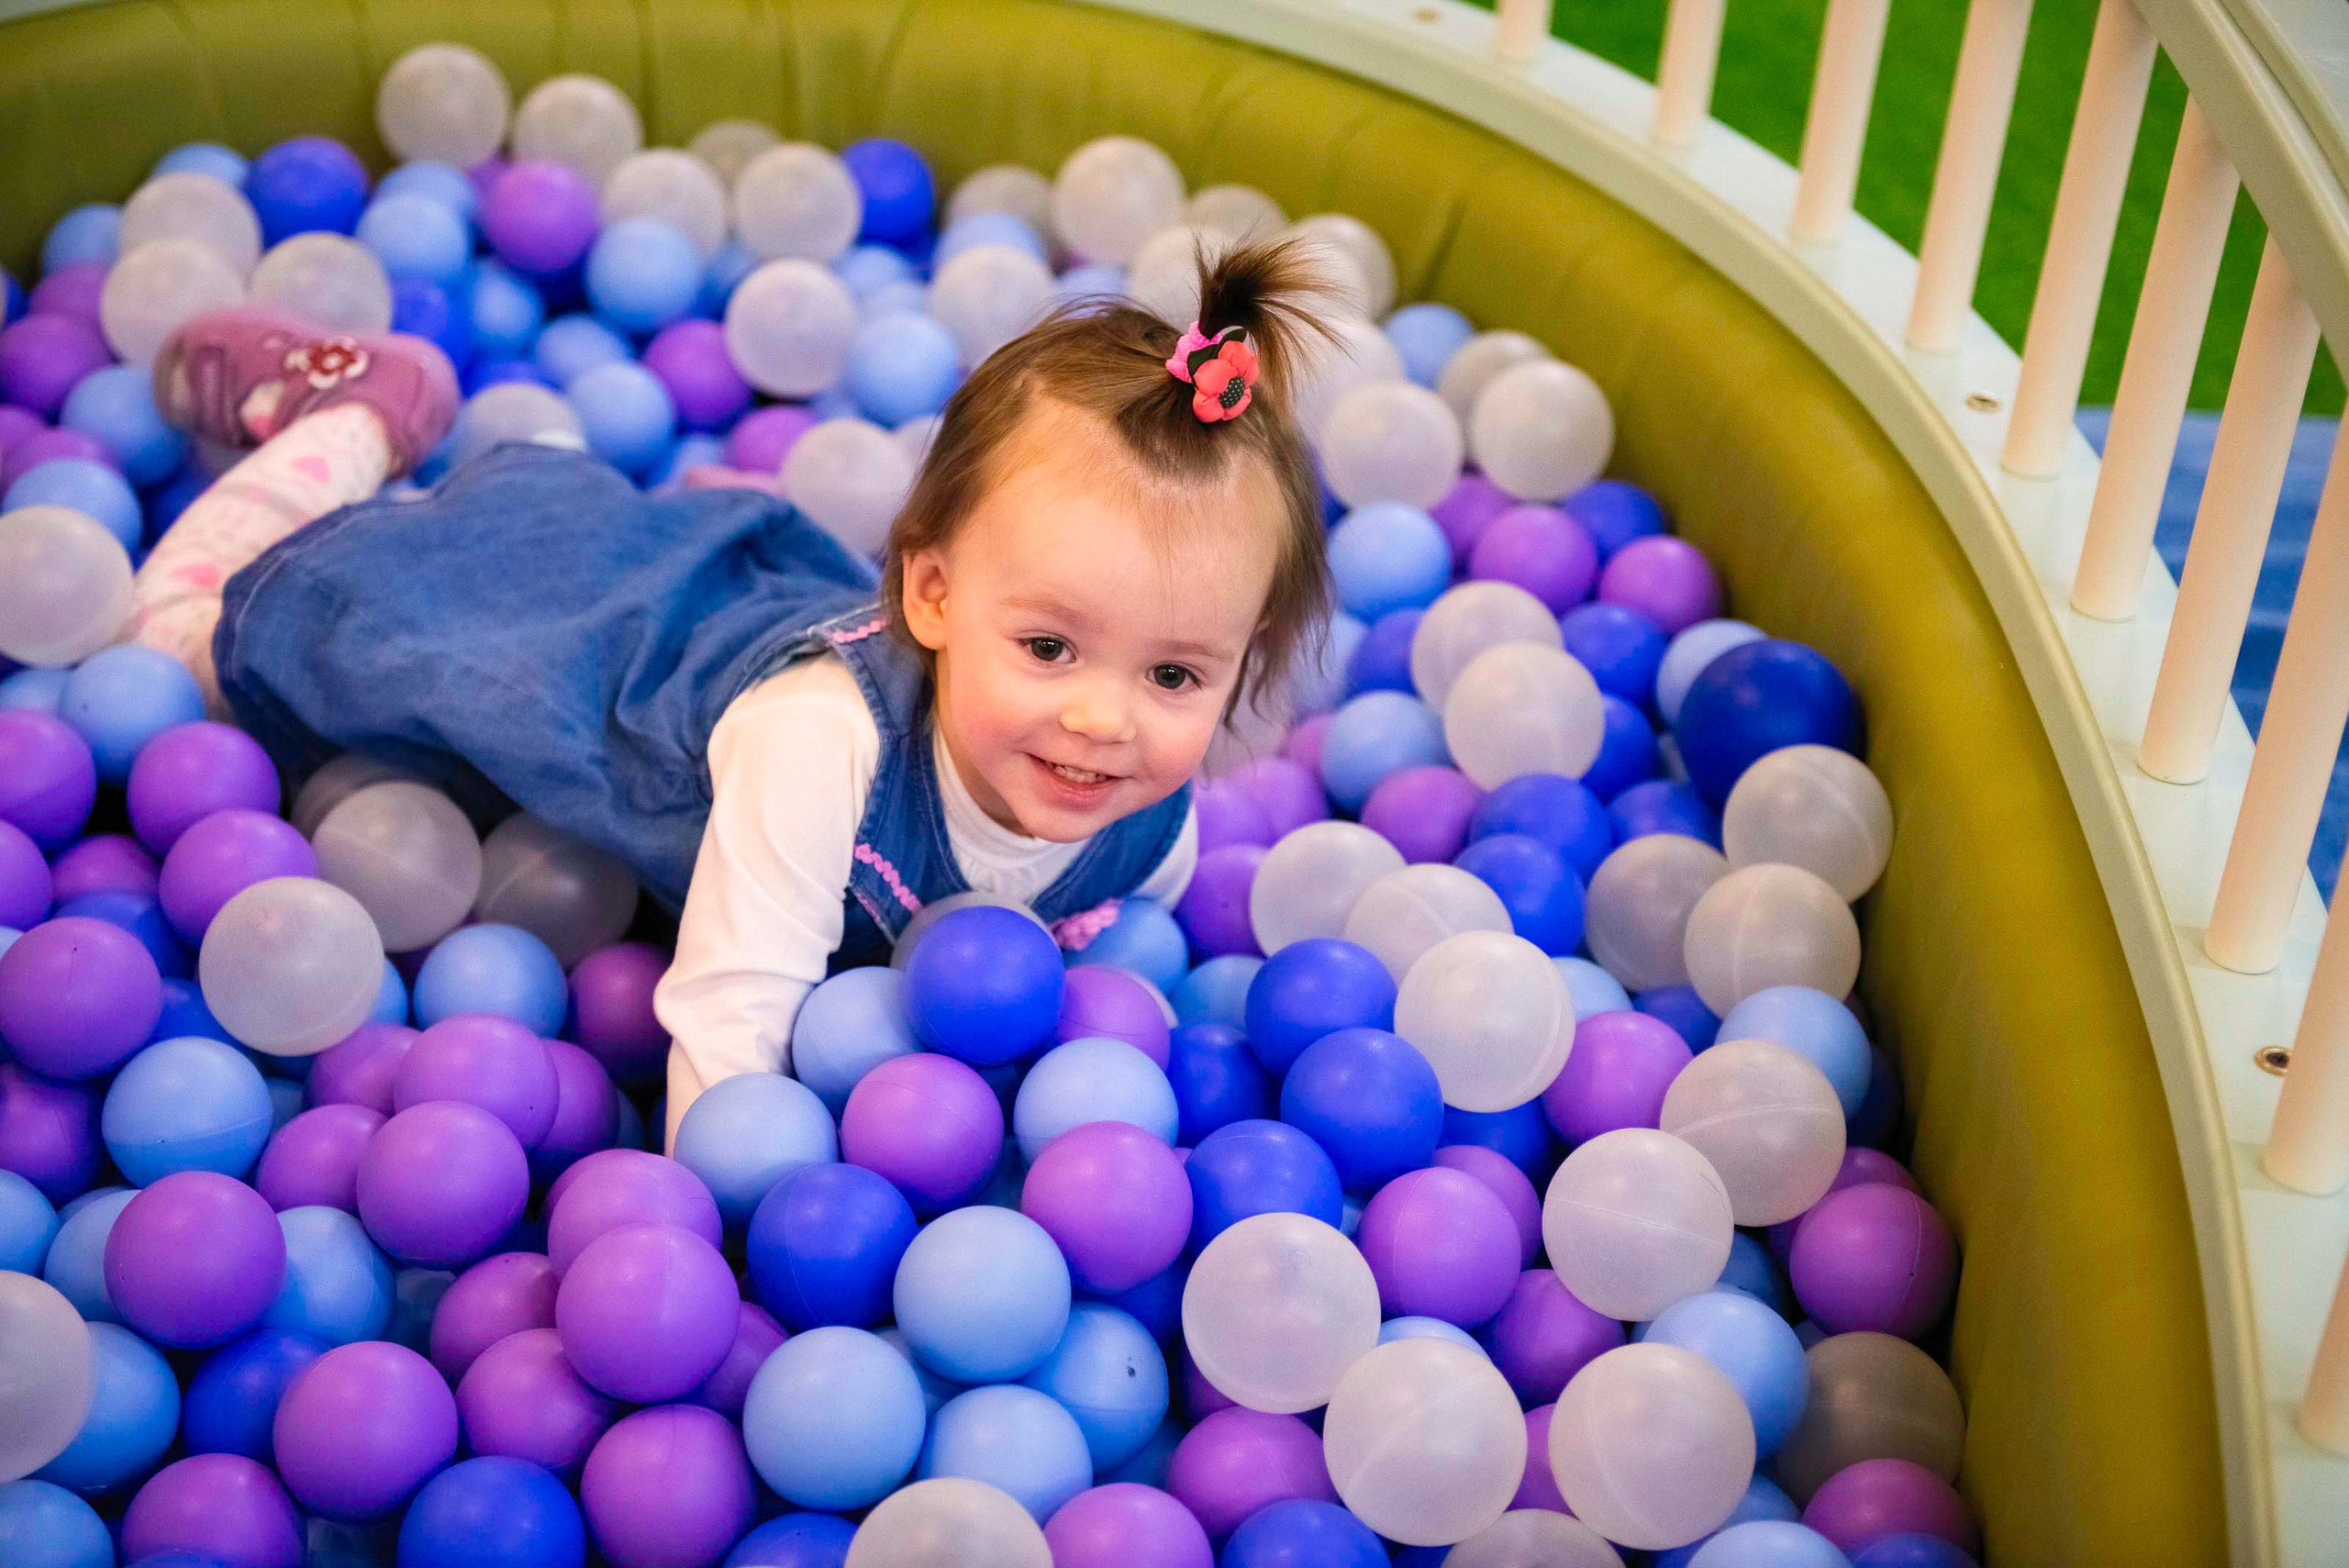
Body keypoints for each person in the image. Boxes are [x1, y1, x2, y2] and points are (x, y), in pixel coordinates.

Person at [126, 239, 1341, 1149]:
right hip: (620, 670)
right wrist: (719, 1246)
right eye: (1049, 648)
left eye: (1176, 674)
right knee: (212, 639)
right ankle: (358, 415)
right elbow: (732, 1005)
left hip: (742, 631)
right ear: (931, 595)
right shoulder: (819, 746)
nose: (1102, 719)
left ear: (1243, 668)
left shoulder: (1150, 822)